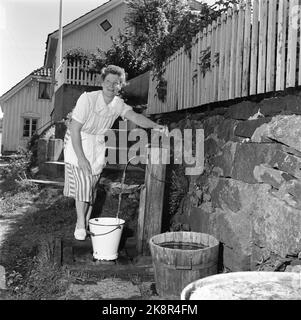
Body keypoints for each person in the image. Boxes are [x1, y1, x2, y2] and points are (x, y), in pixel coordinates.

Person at [63, 65, 167, 240]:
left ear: (121, 85)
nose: (111, 86)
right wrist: (81, 158)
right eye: (108, 81)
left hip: (97, 145)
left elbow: (135, 117)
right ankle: (80, 223)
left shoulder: (117, 104)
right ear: (102, 82)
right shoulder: (87, 99)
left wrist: (155, 126)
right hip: (77, 141)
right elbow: (74, 129)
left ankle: (86, 222)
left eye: (116, 83)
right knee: (83, 184)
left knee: (92, 188)